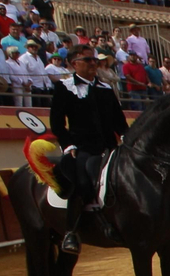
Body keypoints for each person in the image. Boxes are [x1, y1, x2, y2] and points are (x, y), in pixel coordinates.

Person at [48, 44, 128, 254]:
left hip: (109, 147)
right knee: (83, 183)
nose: (94, 63)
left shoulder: (105, 88)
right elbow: (57, 124)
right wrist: (69, 145)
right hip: (82, 148)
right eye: (88, 60)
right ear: (74, 63)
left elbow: (119, 121)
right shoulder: (64, 87)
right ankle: (70, 232)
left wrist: (127, 138)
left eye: (94, 60)